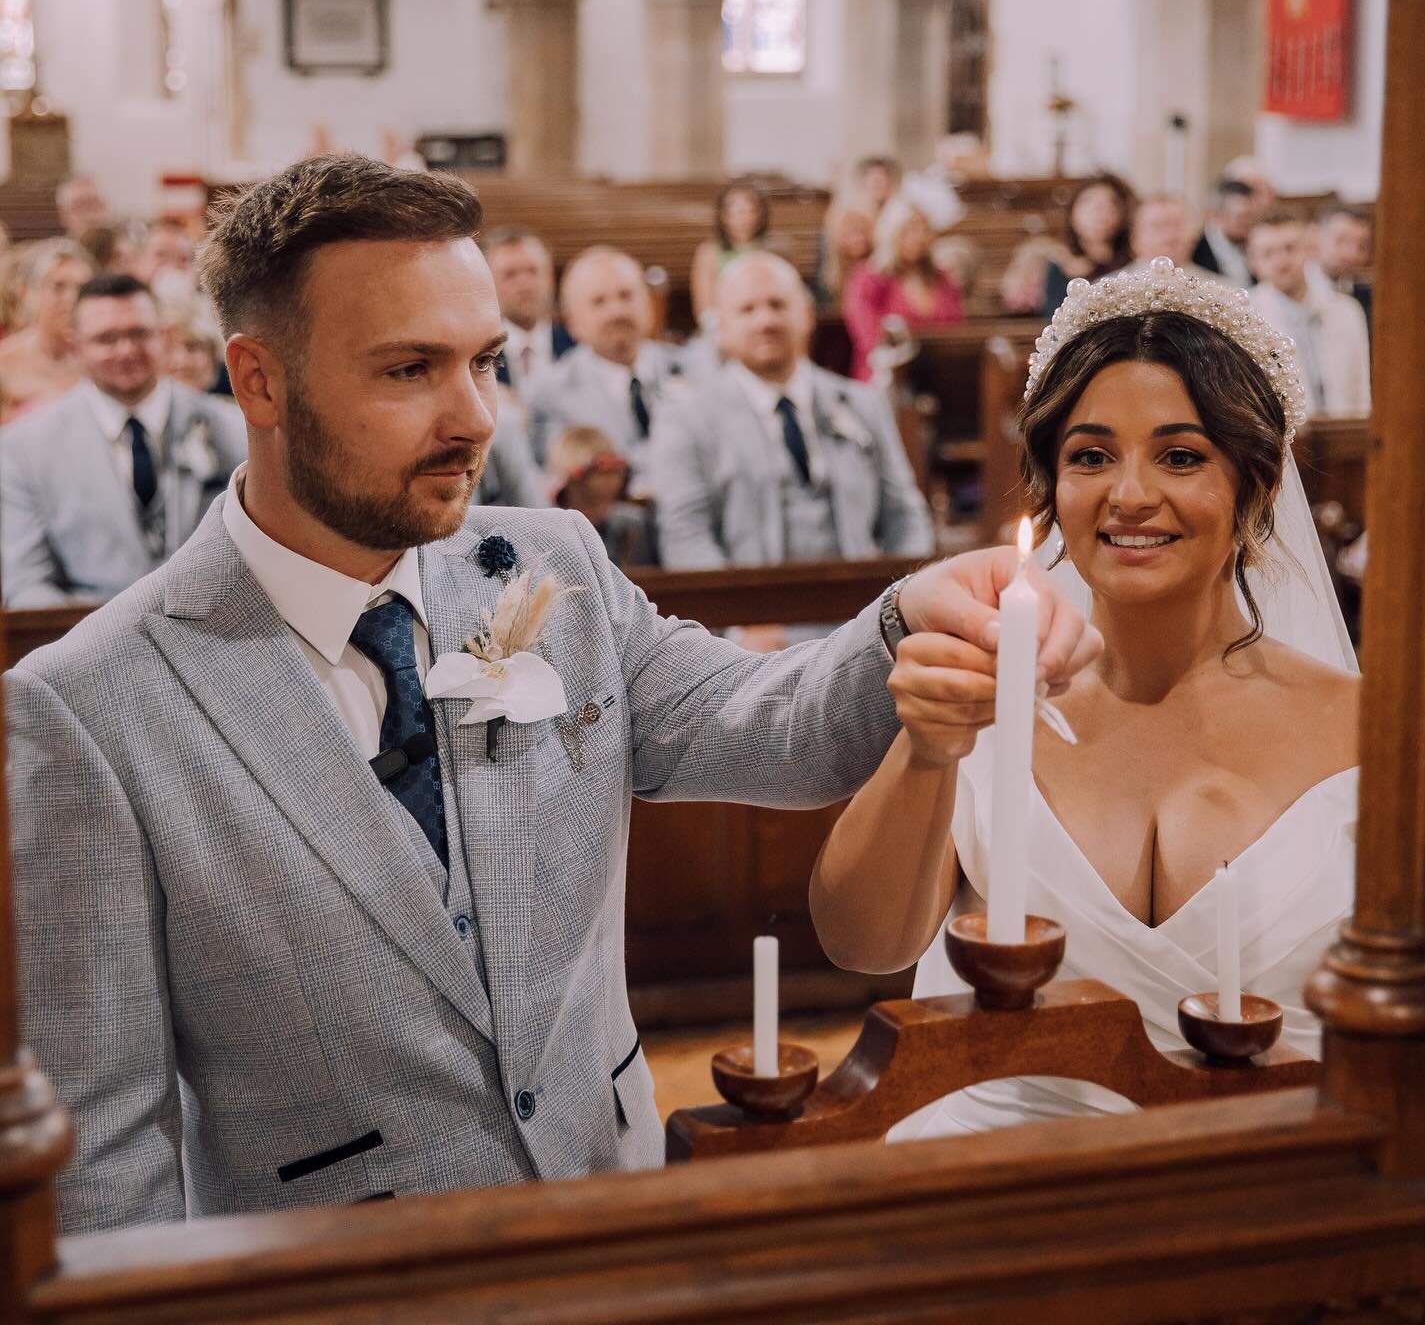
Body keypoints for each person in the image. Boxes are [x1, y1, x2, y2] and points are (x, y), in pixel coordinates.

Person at [5, 153, 1098, 1231]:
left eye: (487, 362)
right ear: (258, 381)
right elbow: (102, 1168)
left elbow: (773, 729)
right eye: (408, 370)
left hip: (608, 1217)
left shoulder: (551, 569)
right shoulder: (91, 708)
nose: (475, 417)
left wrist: (913, 614)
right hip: (332, 1285)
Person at [811, 258, 1360, 1139]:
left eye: (1181, 456)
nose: (1130, 494)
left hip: (1270, 1191)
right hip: (993, 1182)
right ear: (1052, 488)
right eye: (1091, 456)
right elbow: (862, 944)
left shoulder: (1364, 731)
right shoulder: (991, 693)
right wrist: (927, 749)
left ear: (1255, 487)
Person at [654, 250, 933, 572]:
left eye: (778, 304)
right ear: (722, 327)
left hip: (861, 607)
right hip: (750, 611)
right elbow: (686, 537)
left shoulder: (862, 402)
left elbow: (906, 515)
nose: (766, 321)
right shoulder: (686, 419)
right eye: (747, 309)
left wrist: (900, 599)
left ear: (807, 314)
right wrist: (740, 620)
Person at [0, 272, 247, 605]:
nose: (126, 350)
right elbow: (28, 585)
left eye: (139, 334)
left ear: (164, 337)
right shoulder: (24, 448)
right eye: (107, 339)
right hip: (85, 637)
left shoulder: (231, 426)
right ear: (76, 347)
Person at [528, 246, 700, 493]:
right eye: (599, 302)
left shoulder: (690, 368)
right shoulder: (548, 393)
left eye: (626, 295)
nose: (616, 311)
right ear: (573, 323)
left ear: (649, 304)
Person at [1249, 210, 1370, 416]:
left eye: (1290, 248)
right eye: (1268, 253)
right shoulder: (1246, 316)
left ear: (1309, 250)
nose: (1282, 261)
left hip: (1347, 430)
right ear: (1254, 262)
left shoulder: (1346, 310)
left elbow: (1362, 387)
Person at [844, 196, 966, 380]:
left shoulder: (942, 278)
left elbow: (958, 330)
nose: (917, 236)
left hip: (940, 374)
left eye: (923, 228)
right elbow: (868, 338)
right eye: (909, 229)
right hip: (885, 377)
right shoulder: (869, 278)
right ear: (891, 232)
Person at [0, 238, 95, 422]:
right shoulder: (5, 364)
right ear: (27, 292)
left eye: (82, 289)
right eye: (58, 287)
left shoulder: (97, 359)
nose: (72, 298)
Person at [547, 424, 658, 567]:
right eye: (594, 472)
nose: (607, 479)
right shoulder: (551, 531)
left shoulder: (633, 526)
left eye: (615, 471)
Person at [483, 227, 574, 394]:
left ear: (551, 278)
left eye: (533, 271)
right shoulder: (479, 355)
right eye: (510, 274)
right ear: (489, 283)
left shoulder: (577, 346)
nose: (524, 285)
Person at [1040, 174, 1136, 316]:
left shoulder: (1132, 266)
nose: (1098, 212)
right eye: (1088, 202)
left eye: (1110, 204)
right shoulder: (1059, 267)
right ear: (1072, 212)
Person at [690, 179, 770, 323]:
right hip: (722, 325)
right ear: (724, 217)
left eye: (750, 211)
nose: (744, 219)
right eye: (737, 212)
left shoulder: (772, 250)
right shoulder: (708, 253)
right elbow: (704, 308)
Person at [1113, 196, 1223, 282]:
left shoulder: (1224, 292)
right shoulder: (1107, 291)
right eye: (1158, 226)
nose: (1169, 235)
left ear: (1196, 233)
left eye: (1177, 225)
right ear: (1134, 237)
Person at [1307, 203, 1374, 338]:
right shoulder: (1296, 290)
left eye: (1361, 246)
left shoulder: (1368, 297)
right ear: (1315, 236)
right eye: (1341, 240)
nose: (1352, 253)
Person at [1191, 178, 1260, 286]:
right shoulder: (1193, 251)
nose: (1250, 223)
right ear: (1216, 215)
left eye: (1253, 216)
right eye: (1243, 216)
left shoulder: (1255, 246)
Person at [56, 174, 112, 238]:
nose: (91, 214)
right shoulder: (53, 247)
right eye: (82, 206)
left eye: (96, 204)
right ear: (64, 215)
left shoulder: (123, 244)